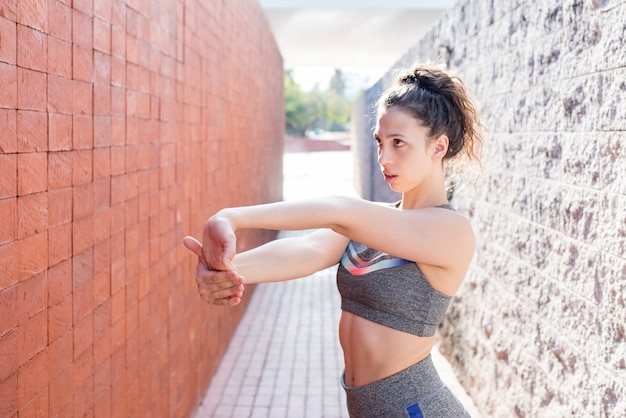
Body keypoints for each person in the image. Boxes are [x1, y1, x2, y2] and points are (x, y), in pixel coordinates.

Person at [183, 62, 484, 417]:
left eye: (399, 143)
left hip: (415, 408)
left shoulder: (450, 231)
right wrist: (226, 269)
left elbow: (340, 211)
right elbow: (307, 248)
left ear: (438, 148)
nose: (384, 158)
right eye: (380, 142)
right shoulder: (377, 223)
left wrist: (233, 217)